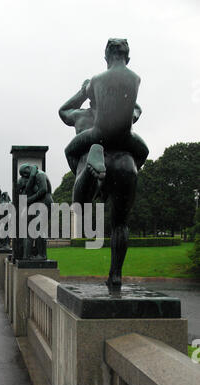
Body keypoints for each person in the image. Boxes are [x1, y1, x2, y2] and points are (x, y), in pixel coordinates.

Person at [59, 38, 149, 289]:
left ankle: (89, 176)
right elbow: (134, 112)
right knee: (120, 223)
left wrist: (84, 90)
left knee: (80, 204)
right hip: (124, 157)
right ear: (127, 58)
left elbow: (62, 111)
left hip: (93, 149)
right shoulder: (130, 94)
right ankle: (116, 275)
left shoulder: (81, 115)